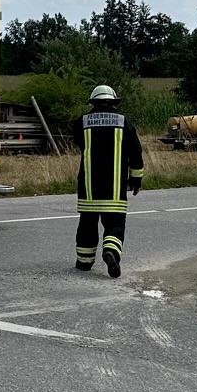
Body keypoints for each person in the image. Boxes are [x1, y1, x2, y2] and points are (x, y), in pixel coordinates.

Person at [73, 84, 143, 277]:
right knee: (115, 223)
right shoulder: (123, 121)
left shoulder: (82, 122)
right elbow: (135, 151)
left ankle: (84, 262)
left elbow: (79, 143)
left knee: (87, 224)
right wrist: (136, 179)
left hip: (88, 187)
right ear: (113, 102)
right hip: (115, 187)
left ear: (93, 103)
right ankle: (111, 250)